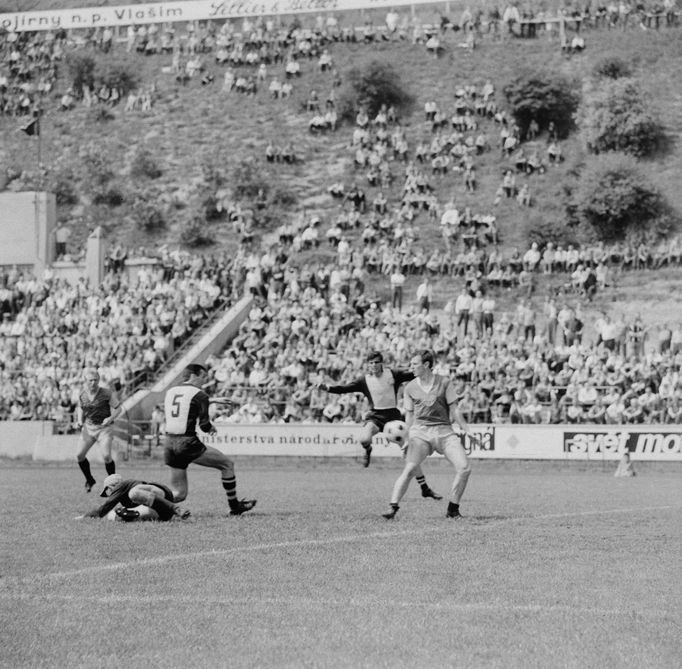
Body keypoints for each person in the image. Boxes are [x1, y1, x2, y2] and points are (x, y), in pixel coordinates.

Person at [317, 351, 441, 499]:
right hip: (375, 416)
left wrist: (427, 369)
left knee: (409, 454)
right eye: (371, 363)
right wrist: (328, 388)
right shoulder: (364, 381)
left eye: (376, 362)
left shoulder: (392, 374)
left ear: (382, 363)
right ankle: (368, 450)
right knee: (364, 439)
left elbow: (412, 374)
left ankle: (424, 488)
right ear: (367, 365)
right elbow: (345, 388)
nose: (374, 365)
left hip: (393, 417)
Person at [383, 350, 474, 520]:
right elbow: (409, 416)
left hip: (445, 432)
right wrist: (407, 438)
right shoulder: (409, 387)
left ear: (426, 365)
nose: (411, 367)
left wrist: (467, 430)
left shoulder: (444, 382)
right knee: (410, 468)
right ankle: (392, 507)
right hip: (420, 432)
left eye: (414, 364)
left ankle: (453, 509)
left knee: (464, 468)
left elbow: (454, 409)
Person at [163, 363, 256, 516]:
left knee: (179, 494)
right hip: (186, 443)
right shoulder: (200, 395)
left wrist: (211, 400)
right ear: (194, 375)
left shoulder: (170, 391)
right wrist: (211, 427)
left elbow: (185, 403)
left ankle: (141, 502)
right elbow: (205, 425)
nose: (204, 381)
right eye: (203, 377)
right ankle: (234, 506)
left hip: (169, 443)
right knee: (227, 465)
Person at [76, 368, 121, 493]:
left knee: (107, 456)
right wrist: (80, 420)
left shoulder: (106, 393)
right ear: (86, 381)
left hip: (104, 428)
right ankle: (90, 480)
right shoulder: (82, 394)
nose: (93, 383)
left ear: (99, 380)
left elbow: (118, 408)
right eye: (90, 380)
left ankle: (113, 485)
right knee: (79, 455)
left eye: (95, 380)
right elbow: (80, 407)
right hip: (89, 427)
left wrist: (111, 418)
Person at [77, 473, 191, 521]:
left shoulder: (122, 486)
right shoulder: (124, 497)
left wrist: (84, 517)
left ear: (112, 486)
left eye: (108, 491)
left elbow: (104, 507)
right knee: (115, 514)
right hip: (162, 513)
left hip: (160, 492)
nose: (109, 494)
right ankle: (172, 511)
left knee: (134, 493)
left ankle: (176, 508)